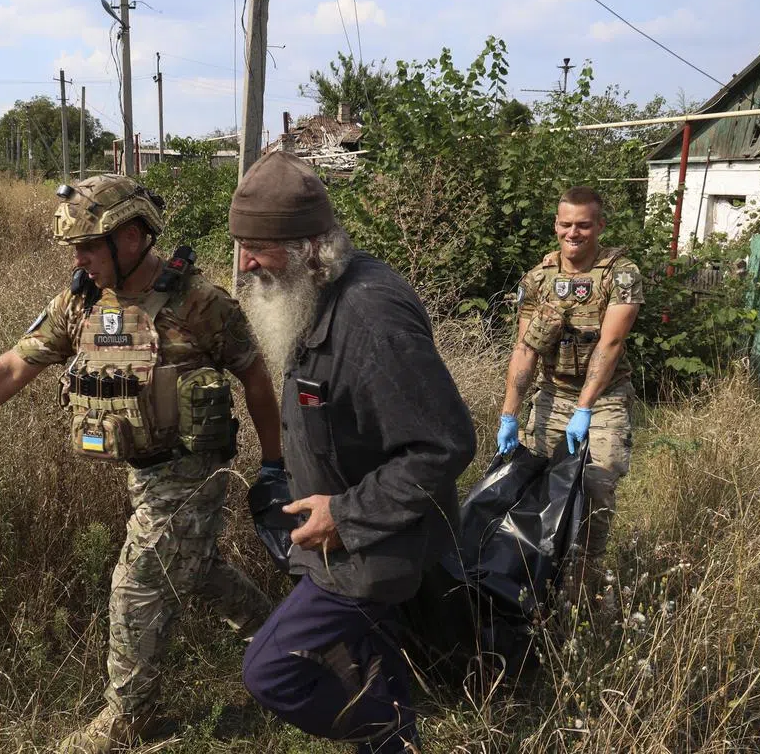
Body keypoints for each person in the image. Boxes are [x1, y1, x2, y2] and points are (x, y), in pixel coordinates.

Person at [0, 174, 283, 753]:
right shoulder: (79, 304)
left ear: (131, 238)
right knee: (196, 570)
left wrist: (272, 466)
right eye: (75, 248)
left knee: (137, 586)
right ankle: (290, 642)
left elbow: (256, 379)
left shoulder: (200, 302)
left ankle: (127, 718)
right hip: (142, 472)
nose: (80, 258)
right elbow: (13, 366)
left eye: (89, 246)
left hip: (193, 472)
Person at [231, 151, 477, 754]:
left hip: (370, 549)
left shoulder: (367, 313)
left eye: (257, 247)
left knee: (271, 672)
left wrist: (343, 515)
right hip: (343, 547)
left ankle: (392, 736)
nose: (243, 265)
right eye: (240, 244)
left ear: (309, 246)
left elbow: (442, 443)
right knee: (370, 663)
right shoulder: (313, 294)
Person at [496, 185, 643, 604]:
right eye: (565, 224)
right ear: (556, 224)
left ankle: (581, 591)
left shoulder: (621, 274)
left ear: (599, 225)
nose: (573, 233)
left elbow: (610, 346)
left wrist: (584, 410)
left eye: (583, 225)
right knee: (534, 488)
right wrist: (510, 414)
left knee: (595, 488)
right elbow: (524, 350)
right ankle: (531, 586)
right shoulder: (538, 278)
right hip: (550, 394)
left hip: (603, 400)